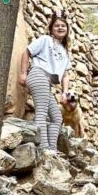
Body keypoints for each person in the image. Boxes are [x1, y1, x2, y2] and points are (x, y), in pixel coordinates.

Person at [19, 10, 71, 152]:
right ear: (51, 29)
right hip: (38, 74)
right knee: (41, 112)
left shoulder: (65, 51)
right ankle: (43, 148)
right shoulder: (45, 40)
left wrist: (65, 92)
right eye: (57, 26)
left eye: (63, 26)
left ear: (67, 29)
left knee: (57, 117)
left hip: (47, 82)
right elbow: (27, 52)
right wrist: (23, 73)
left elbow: (65, 74)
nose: (60, 28)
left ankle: (52, 150)